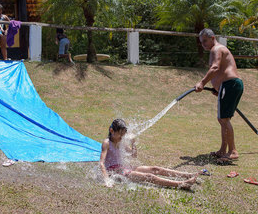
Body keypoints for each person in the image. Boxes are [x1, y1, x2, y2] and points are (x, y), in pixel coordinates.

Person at [100, 119, 199, 189]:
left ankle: (188, 175)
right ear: (111, 131)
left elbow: (134, 155)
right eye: (120, 134)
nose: (122, 137)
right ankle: (182, 184)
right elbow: (101, 163)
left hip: (123, 168)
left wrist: (133, 143)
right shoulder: (107, 143)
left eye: (123, 134)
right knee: (149, 176)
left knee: (155, 169)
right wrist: (107, 180)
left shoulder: (121, 141)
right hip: (115, 172)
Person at [195, 28, 244, 161]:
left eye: (205, 40)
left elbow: (215, 68)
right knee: (222, 118)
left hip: (230, 85)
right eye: (201, 42)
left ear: (212, 38)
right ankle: (223, 150)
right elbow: (221, 70)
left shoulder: (216, 49)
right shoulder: (219, 49)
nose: (203, 44)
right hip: (229, 85)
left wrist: (202, 83)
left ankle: (233, 151)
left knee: (224, 119)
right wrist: (217, 88)